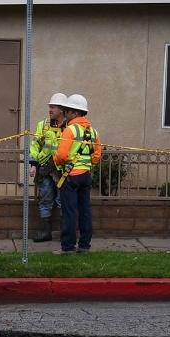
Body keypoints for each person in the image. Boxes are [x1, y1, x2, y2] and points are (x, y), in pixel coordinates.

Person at [51, 93, 100, 253]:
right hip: (86, 176)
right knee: (85, 211)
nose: (66, 114)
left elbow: (62, 155)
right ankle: (85, 246)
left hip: (70, 177)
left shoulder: (70, 130)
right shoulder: (93, 132)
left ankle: (68, 247)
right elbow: (96, 157)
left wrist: (57, 160)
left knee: (69, 212)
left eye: (68, 111)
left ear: (75, 113)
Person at [27, 93, 68, 242]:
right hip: (45, 169)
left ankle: (65, 234)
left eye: (53, 107)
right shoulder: (43, 125)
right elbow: (35, 145)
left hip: (63, 170)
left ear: (62, 109)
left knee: (62, 201)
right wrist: (33, 164)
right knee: (45, 200)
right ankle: (46, 233)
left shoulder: (70, 127)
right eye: (50, 106)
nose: (50, 109)